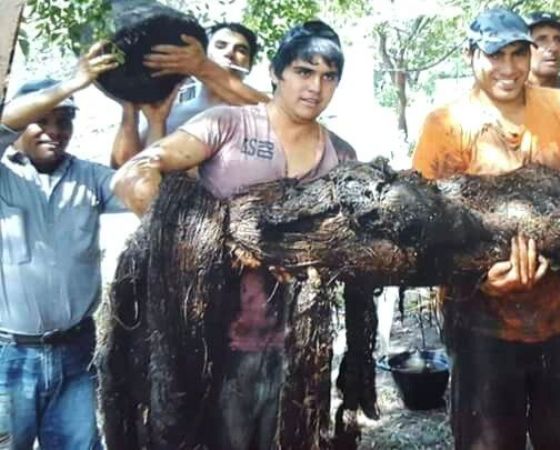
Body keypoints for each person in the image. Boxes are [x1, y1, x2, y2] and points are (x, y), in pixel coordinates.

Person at [411, 8, 560, 449]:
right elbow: (430, 233)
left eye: (517, 54)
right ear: (471, 56)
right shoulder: (444, 125)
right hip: (480, 327)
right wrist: (481, 279)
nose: (508, 69)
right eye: (494, 55)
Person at [112, 20, 355, 449]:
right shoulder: (228, 124)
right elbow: (134, 174)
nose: (315, 87)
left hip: (295, 350)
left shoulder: (341, 156)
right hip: (208, 346)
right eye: (304, 71)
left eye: (328, 76)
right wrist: (212, 243)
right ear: (277, 74)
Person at [0, 42, 123, 449]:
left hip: (75, 352)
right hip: (7, 357)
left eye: (64, 120)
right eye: (41, 120)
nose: (54, 130)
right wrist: (74, 81)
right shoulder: (3, 175)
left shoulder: (89, 177)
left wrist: (143, 110)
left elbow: (143, 186)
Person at [111, 22, 266, 168]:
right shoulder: (172, 109)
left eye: (241, 50)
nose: (229, 53)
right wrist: (130, 109)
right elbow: (122, 167)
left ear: (249, 66)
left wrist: (203, 67)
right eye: (220, 46)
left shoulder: (256, 113)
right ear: (205, 53)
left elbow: (272, 109)